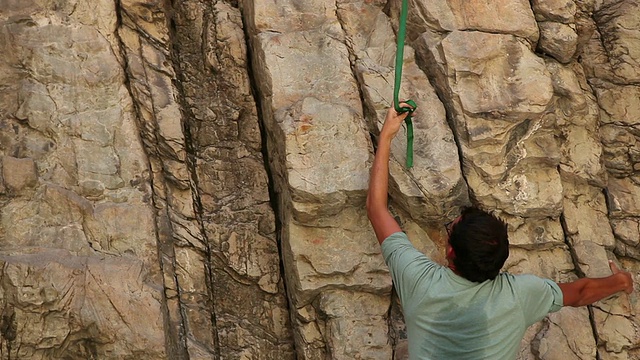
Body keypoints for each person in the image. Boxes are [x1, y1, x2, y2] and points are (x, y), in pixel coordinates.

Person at [366, 104, 634, 359]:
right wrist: (620, 282)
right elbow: (580, 293)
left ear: (450, 251)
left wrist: (387, 136)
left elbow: (377, 209)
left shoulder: (420, 281)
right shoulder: (519, 294)